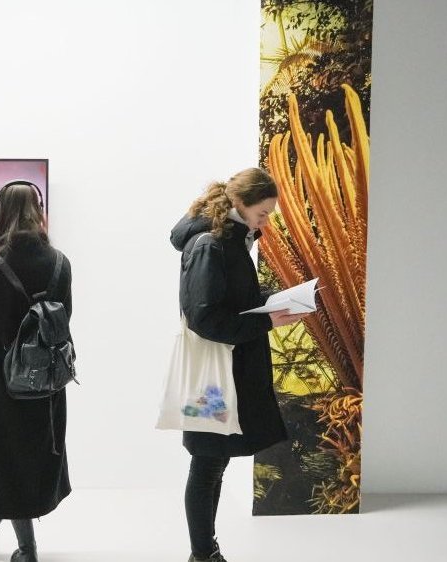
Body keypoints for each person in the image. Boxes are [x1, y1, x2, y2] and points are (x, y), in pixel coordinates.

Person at [170, 168, 309, 562]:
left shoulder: (230, 240)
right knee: (207, 463)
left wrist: (273, 301)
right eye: (263, 214)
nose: (266, 221)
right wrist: (266, 319)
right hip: (213, 376)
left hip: (224, 368)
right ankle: (203, 554)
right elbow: (205, 317)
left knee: (213, 462)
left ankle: (205, 552)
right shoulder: (211, 245)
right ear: (239, 205)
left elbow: (228, 299)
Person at [0, 180, 73, 562]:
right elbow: (64, 318)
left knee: (1, 457)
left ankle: (22, 547)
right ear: (39, 210)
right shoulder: (59, 262)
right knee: (30, 456)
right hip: (48, 376)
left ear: (0, 210)